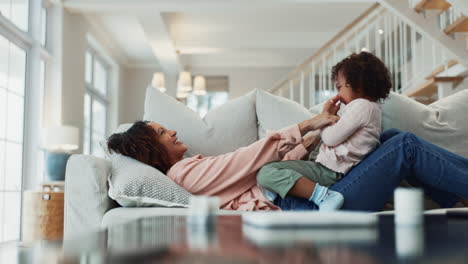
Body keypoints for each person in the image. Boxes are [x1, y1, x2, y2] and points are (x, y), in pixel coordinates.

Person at [107, 112, 340, 211]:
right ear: (152, 149)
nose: (173, 132)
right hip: (292, 199)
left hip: (291, 188)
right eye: (162, 133)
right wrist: (307, 124)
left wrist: (312, 138)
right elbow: (245, 160)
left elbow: (262, 168)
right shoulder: (182, 174)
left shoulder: (188, 168)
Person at [256, 52, 392, 211]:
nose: (338, 94)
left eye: (340, 87)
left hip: (331, 171)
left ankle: (325, 196)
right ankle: (286, 190)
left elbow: (330, 138)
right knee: (278, 168)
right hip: (331, 168)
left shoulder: (362, 106)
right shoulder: (370, 108)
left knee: (266, 172)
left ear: (358, 84)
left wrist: (325, 116)